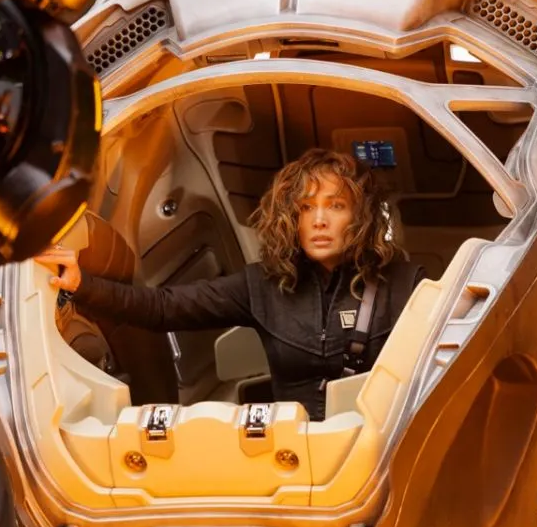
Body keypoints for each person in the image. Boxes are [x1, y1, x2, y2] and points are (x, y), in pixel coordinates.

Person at [36, 148, 425, 421]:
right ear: (292, 218)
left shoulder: (408, 284)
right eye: (306, 208)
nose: (319, 220)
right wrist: (83, 284)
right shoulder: (263, 285)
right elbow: (161, 307)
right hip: (293, 455)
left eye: (336, 206)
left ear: (360, 216)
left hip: (378, 450)